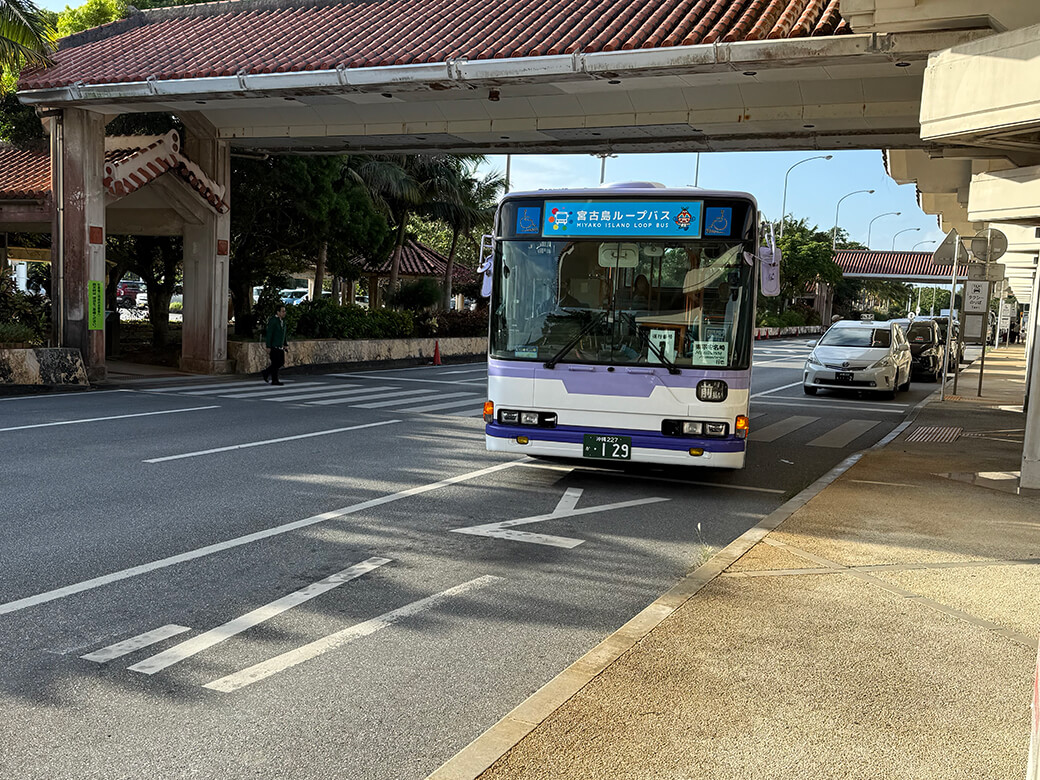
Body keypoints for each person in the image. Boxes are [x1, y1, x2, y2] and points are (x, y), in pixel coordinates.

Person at [261, 304, 289, 385]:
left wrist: (285, 344)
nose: (284, 313)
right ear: (278, 312)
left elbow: (284, 334)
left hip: (280, 346)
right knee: (277, 363)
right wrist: (268, 346)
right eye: (282, 311)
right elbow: (269, 334)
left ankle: (271, 377)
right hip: (274, 345)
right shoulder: (273, 321)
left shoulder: (283, 322)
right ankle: (268, 374)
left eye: (284, 311)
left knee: (280, 362)